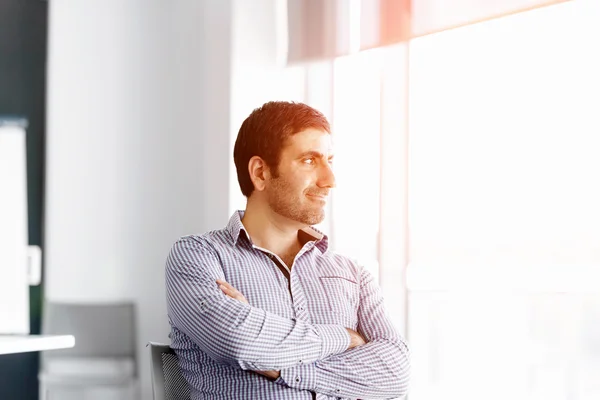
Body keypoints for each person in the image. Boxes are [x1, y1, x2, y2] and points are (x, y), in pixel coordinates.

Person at [165, 101, 410, 399]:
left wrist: (283, 367)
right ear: (260, 172)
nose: (329, 180)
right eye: (309, 160)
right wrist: (345, 338)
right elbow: (240, 340)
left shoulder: (352, 275)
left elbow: (395, 371)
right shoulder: (197, 257)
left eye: (329, 160)